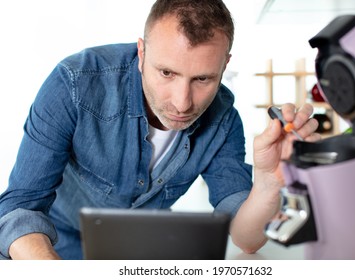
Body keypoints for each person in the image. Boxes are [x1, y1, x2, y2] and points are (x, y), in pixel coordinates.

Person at [0, 0, 320, 260]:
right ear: (141, 53)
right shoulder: (74, 84)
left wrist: (267, 182)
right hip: (47, 250)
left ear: (225, 64)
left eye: (203, 79)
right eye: (167, 72)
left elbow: (246, 239)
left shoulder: (223, 120)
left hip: (140, 257)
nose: (182, 104)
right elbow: (19, 207)